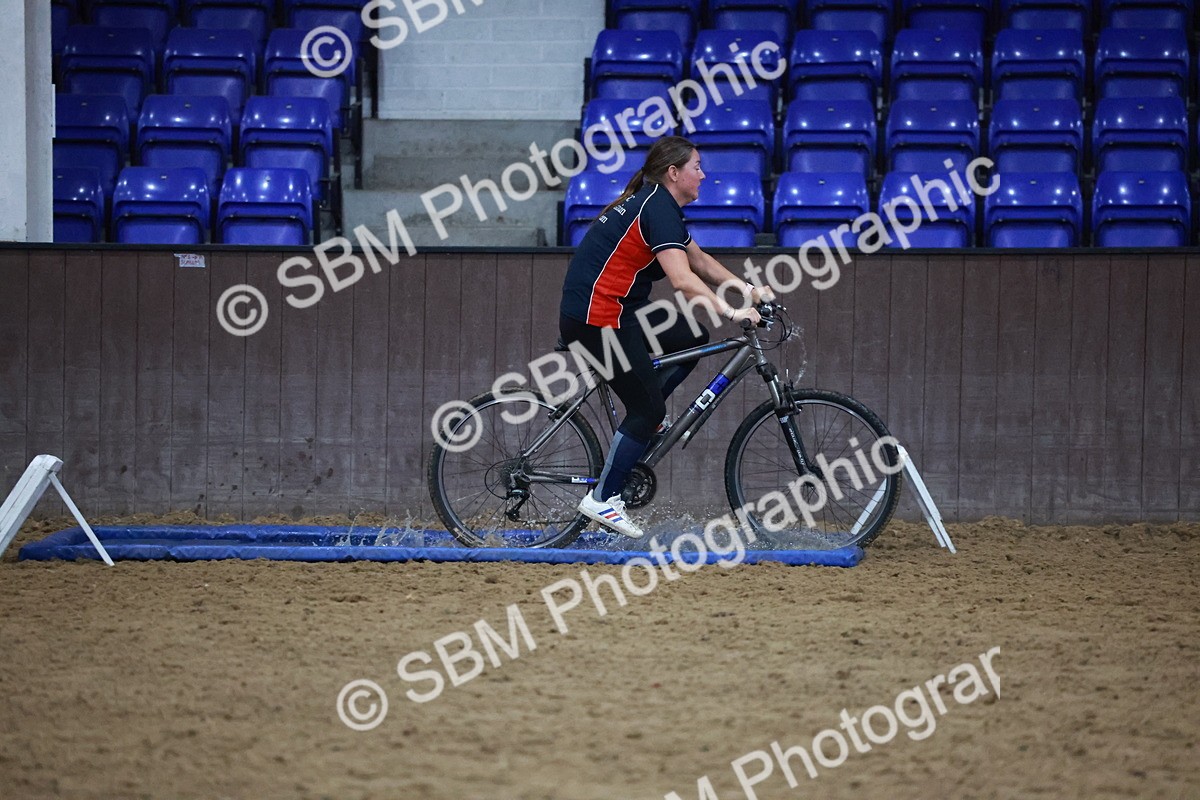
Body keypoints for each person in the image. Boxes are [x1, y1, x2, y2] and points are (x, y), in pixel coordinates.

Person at [559, 136, 773, 539]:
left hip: (617, 310)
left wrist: (749, 289)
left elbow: (700, 261)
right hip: (599, 317)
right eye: (697, 166)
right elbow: (682, 280)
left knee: (691, 337)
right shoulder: (656, 206)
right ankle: (603, 498)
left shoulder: (658, 203)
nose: (703, 174)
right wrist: (731, 311)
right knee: (647, 409)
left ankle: (647, 417)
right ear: (674, 173)